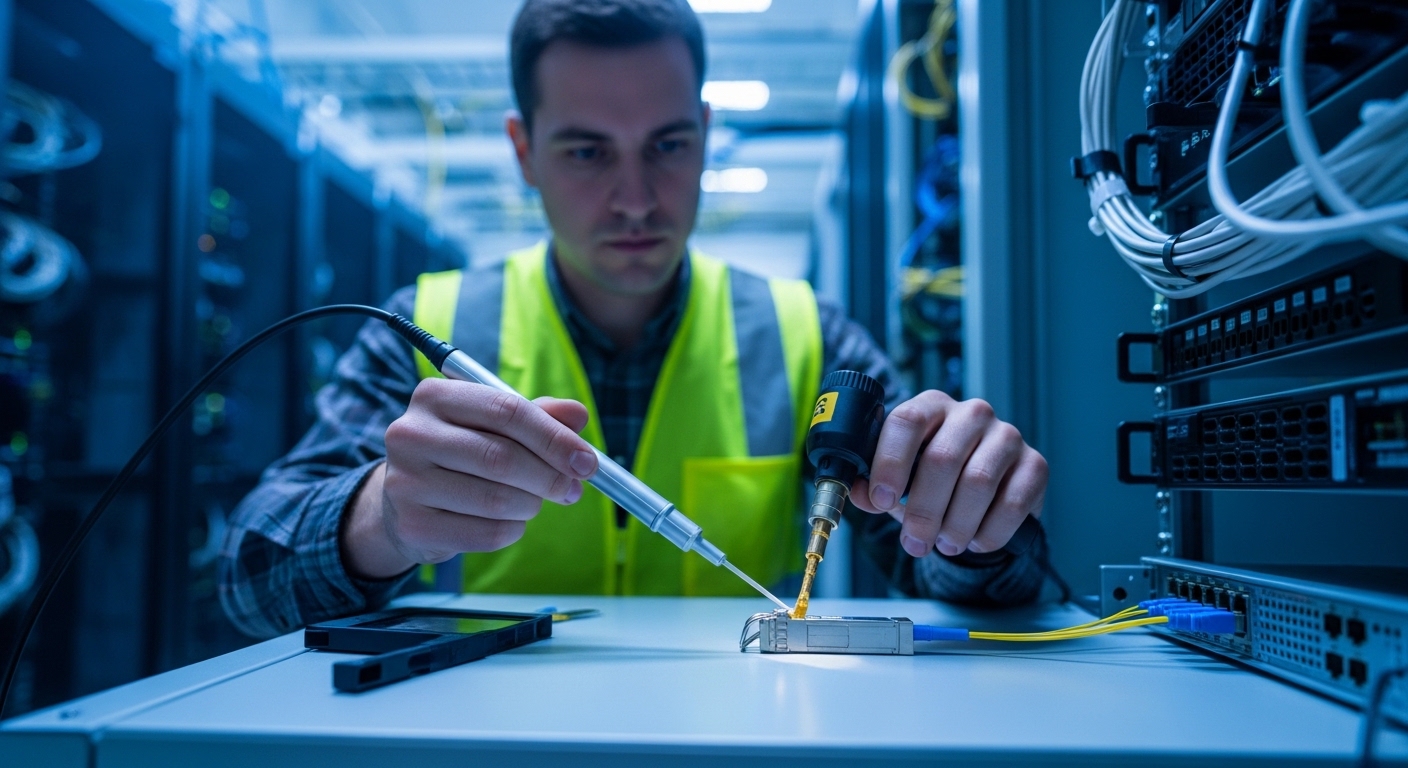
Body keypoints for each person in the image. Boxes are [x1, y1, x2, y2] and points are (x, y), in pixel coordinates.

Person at [218, 0, 1051, 639]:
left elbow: (962, 585)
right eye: (587, 152)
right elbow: (245, 580)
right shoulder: (429, 324)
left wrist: (972, 522)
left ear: (706, 135)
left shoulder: (808, 335)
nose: (635, 199)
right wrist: (381, 520)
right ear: (521, 151)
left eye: (667, 145)